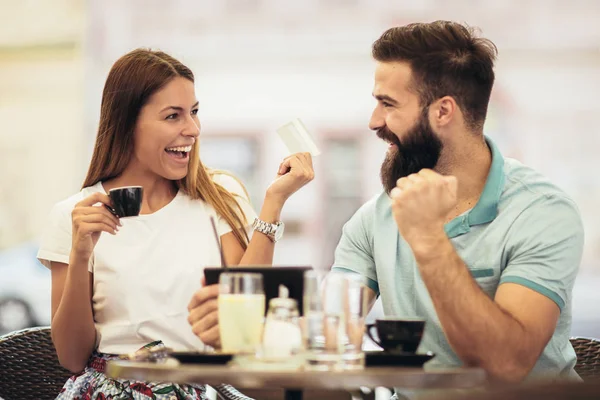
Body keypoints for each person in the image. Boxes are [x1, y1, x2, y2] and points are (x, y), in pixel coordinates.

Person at [37, 48, 314, 399]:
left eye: (194, 112)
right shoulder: (75, 215)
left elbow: (244, 317)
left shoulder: (218, 197)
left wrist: (274, 203)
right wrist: (80, 254)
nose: (193, 129)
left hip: (204, 387)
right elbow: (72, 356)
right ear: (127, 123)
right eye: (173, 116)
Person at [330, 20, 584, 389]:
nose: (374, 122)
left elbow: (506, 365)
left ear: (443, 112)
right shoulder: (374, 218)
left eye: (388, 104)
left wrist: (429, 239)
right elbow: (328, 332)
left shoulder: (543, 212)